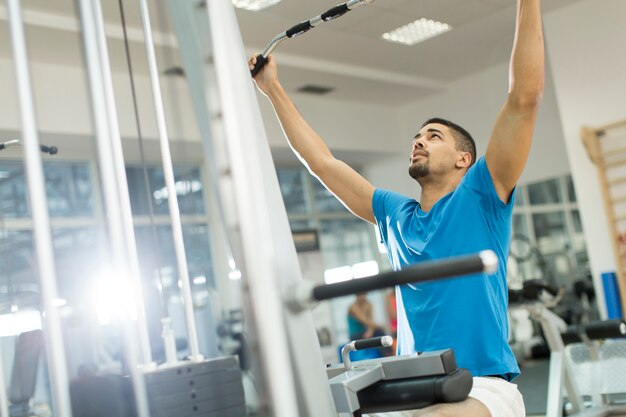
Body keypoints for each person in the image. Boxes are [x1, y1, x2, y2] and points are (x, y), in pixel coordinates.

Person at [250, 0, 544, 415]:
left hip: (481, 385)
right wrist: (272, 88)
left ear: (464, 160)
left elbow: (524, 98)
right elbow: (321, 163)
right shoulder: (394, 215)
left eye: (434, 135)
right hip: (412, 384)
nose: (419, 140)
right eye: (417, 135)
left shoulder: (481, 194)